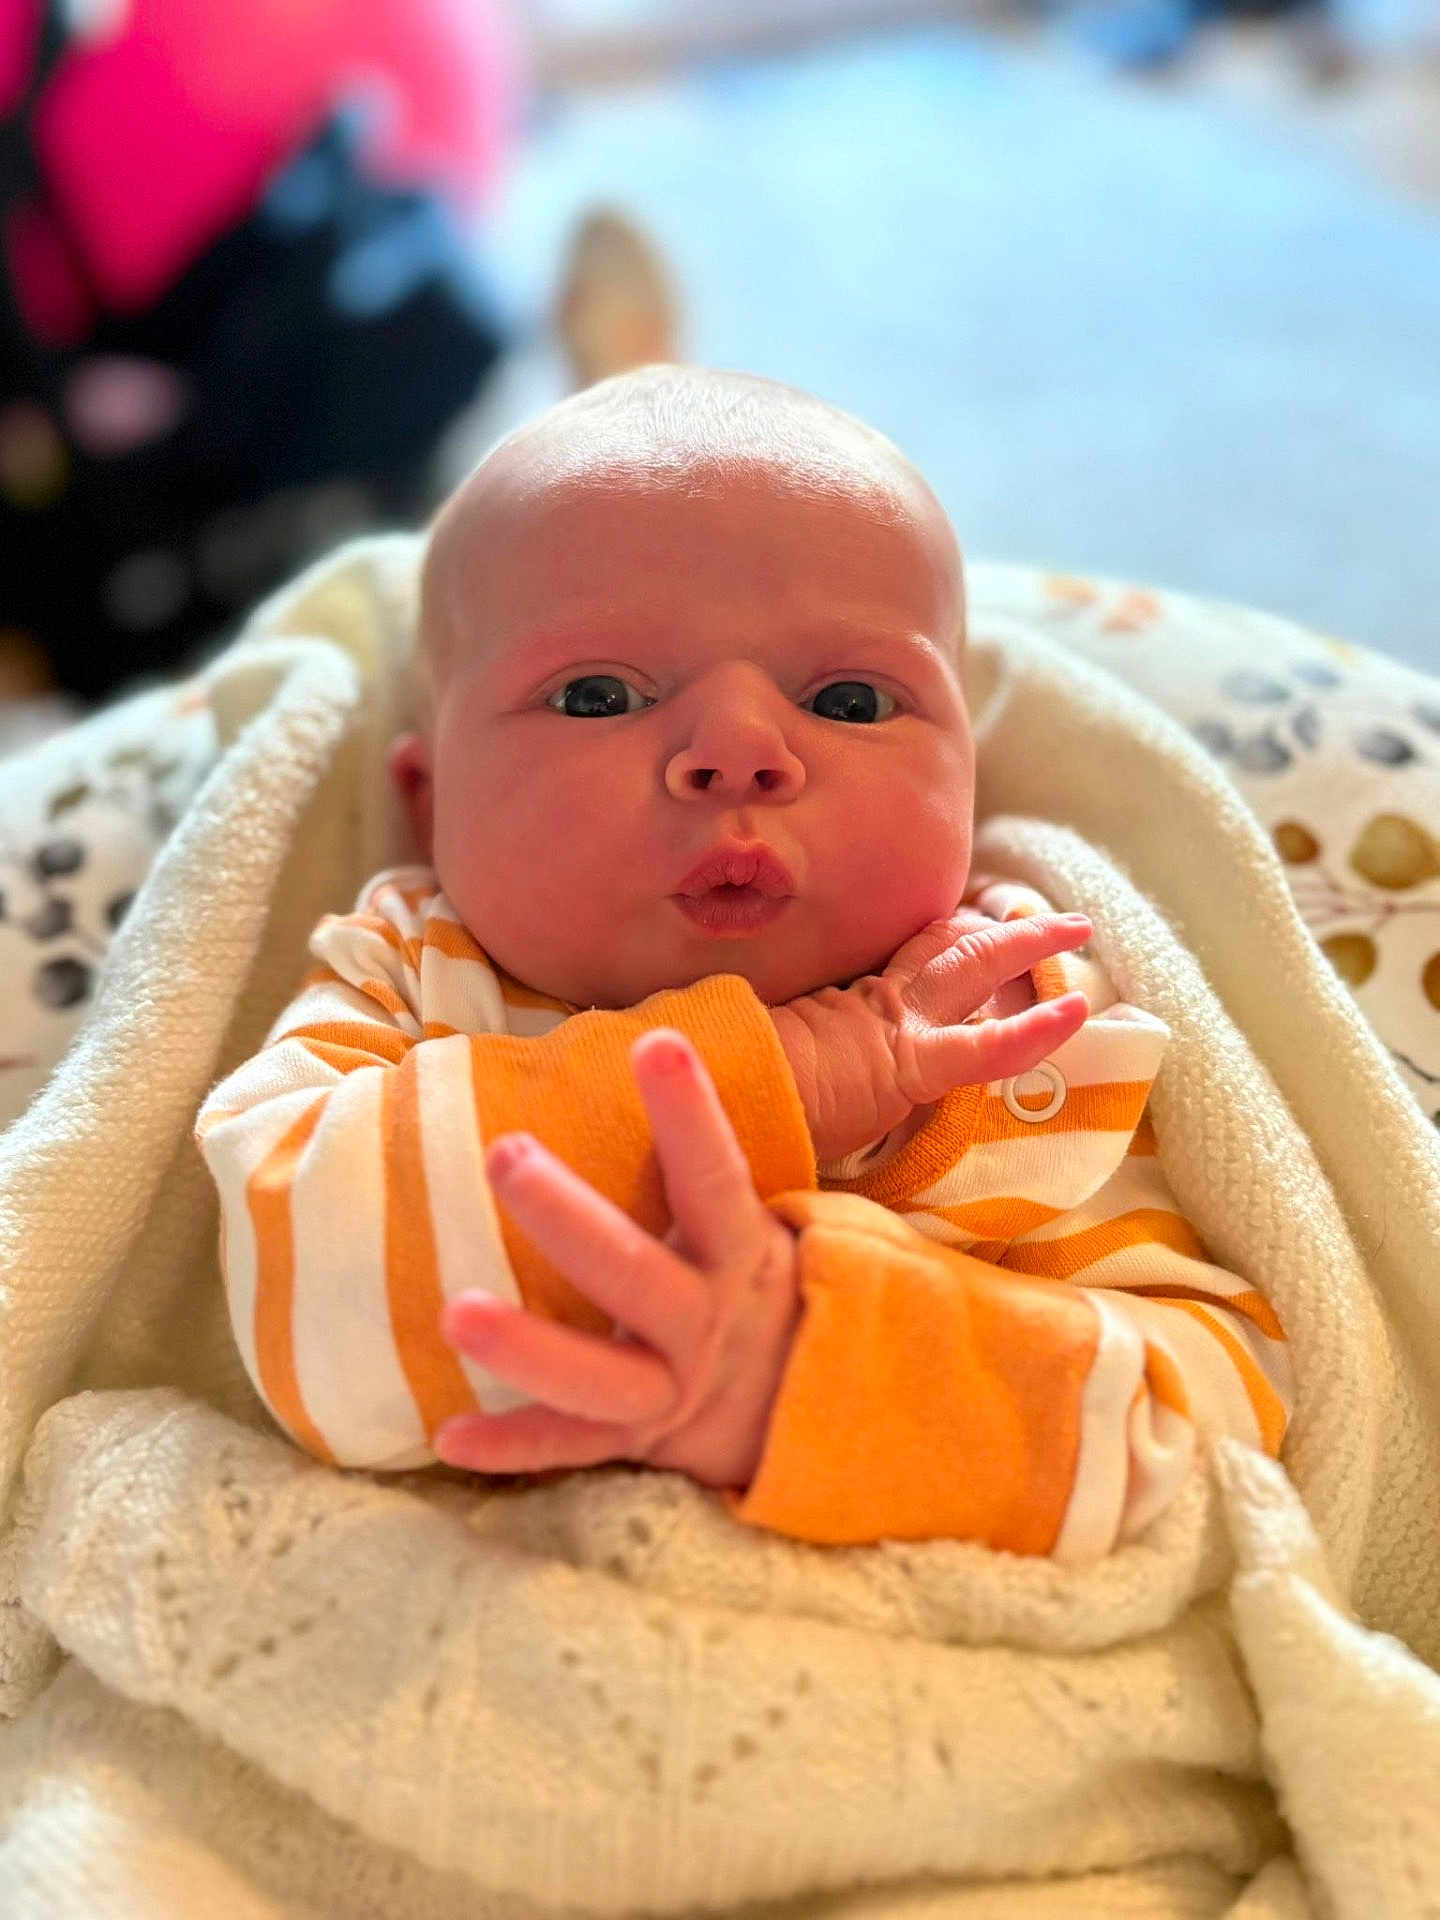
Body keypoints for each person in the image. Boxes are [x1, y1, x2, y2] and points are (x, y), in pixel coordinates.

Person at [196, 365, 1291, 1563]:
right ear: (429, 802)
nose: (737, 751)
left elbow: (1222, 1422)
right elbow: (300, 1302)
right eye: (600, 692)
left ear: (968, 783)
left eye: (853, 698)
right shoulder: (410, 973)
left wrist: (830, 1383)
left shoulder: (1011, 1009)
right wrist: (780, 1072)